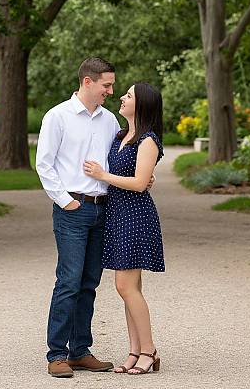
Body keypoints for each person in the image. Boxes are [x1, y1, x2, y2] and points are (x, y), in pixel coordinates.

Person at [36, 57, 120, 378]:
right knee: (68, 282)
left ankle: (79, 350)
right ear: (88, 82)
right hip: (72, 209)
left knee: (89, 283)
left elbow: (114, 161)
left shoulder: (109, 120)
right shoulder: (57, 116)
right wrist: (65, 201)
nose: (110, 91)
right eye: (106, 85)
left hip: (102, 209)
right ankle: (56, 354)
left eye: (111, 85)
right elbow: (44, 164)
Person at [83, 82, 165, 376]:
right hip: (118, 215)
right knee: (131, 289)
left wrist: (103, 175)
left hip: (136, 216)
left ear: (140, 104)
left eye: (128, 95)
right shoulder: (122, 135)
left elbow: (141, 183)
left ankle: (149, 351)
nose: (122, 97)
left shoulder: (148, 140)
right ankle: (134, 350)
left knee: (125, 287)